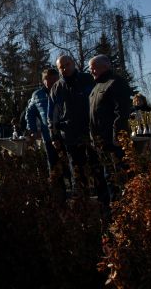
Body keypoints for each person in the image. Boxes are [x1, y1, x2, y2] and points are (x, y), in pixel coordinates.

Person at [48, 55, 98, 199]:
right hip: (70, 135)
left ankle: (104, 202)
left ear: (73, 64)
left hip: (92, 132)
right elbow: (52, 115)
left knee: (97, 167)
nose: (65, 69)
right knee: (77, 171)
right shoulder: (56, 88)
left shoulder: (88, 80)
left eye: (67, 65)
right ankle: (82, 202)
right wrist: (54, 135)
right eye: (61, 67)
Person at [88, 54, 132, 203]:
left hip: (114, 141)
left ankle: (124, 207)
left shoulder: (115, 83)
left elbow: (122, 111)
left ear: (105, 66)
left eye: (94, 68)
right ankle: (113, 207)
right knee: (108, 178)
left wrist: (117, 135)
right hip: (100, 142)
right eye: (90, 68)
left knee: (119, 177)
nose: (91, 71)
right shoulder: (96, 87)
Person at [26, 68, 61, 175]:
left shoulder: (65, 89)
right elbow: (29, 113)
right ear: (43, 80)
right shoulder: (37, 95)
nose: (52, 81)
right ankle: (56, 185)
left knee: (70, 164)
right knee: (53, 165)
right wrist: (33, 130)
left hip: (66, 135)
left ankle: (74, 184)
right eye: (48, 79)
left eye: (54, 78)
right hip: (48, 136)